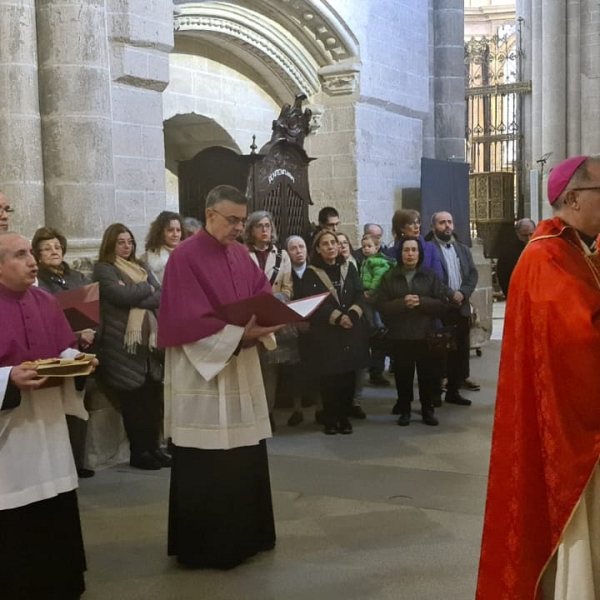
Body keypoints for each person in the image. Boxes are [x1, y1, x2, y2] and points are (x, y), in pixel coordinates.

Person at [476, 155, 600, 599]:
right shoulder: (546, 257)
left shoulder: (574, 249)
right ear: (573, 197)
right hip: (568, 427)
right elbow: (575, 341)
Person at [158, 184, 282, 569]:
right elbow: (186, 316)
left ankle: (249, 535)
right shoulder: (184, 257)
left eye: (243, 221)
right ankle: (207, 547)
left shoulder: (241, 254)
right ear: (210, 214)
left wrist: (273, 315)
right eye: (232, 221)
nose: (239, 229)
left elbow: (261, 292)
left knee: (243, 452)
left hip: (240, 367)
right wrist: (235, 336)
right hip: (203, 374)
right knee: (208, 462)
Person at [0, 232, 93, 599]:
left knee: (55, 497)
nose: (33, 261)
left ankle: (59, 580)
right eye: (21, 255)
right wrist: (8, 377)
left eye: (30, 254)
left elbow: (61, 348)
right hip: (11, 429)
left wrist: (78, 361)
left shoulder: (44, 300)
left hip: (50, 421)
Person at [94, 223, 166, 470]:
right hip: (121, 345)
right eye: (121, 242)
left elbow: (162, 294)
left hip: (148, 346)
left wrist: (138, 291)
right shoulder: (104, 269)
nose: (127, 247)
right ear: (111, 244)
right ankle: (139, 452)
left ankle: (154, 447)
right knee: (134, 402)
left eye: (130, 242)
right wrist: (147, 287)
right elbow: (119, 296)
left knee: (152, 398)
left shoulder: (140, 265)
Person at [32, 226, 96, 478]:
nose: (53, 252)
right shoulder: (40, 282)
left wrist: (91, 330)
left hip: (84, 347)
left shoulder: (76, 277)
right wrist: (78, 333)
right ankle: (62, 463)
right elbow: (49, 316)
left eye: (57, 247)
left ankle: (78, 460)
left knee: (79, 404)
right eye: (47, 249)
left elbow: (90, 307)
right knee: (59, 407)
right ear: (37, 254)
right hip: (58, 348)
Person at [297, 230, 370, 435]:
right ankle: (330, 417)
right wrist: (338, 317)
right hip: (326, 332)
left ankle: (344, 416)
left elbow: (359, 294)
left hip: (350, 329)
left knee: (347, 375)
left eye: (334, 243)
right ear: (318, 249)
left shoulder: (349, 267)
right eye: (325, 244)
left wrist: (352, 316)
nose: (331, 247)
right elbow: (314, 301)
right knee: (330, 377)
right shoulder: (311, 272)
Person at [376, 237, 448, 426]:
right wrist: (402, 304)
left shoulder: (430, 275)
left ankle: (427, 409)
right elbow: (381, 306)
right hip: (400, 335)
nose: (410, 254)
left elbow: (442, 304)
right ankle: (405, 409)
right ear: (400, 254)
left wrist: (421, 302)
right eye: (406, 250)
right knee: (403, 375)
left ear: (419, 253)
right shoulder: (390, 276)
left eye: (414, 250)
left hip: (425, 334)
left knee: (427, 375)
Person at [244, 210, 294, 430]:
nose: (264, 230)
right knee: (250, 367)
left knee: (270, 369)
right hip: (250, 317)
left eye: (267, 225)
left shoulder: (281, 255)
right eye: (259, 226)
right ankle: (251, 413)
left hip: (272, 316)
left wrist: (278, 298)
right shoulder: (242, 254)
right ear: (251, 230)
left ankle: (268, 412)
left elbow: (288, 287)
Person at [429, 211, 480, 404]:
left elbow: (472, 274)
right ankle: (434, 394)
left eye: (449, 222)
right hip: (441, 307)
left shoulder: (463, 249)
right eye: (442, 223)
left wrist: (463, 293)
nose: (447, 226)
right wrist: (451, 294)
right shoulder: (428, 249)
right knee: (438, 353)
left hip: (461, 308)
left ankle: (454, 390)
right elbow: (431, 278)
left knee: (459, 352)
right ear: (433, 227)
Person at [284, 235, 321, 427]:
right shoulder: (286, 274)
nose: (298, 251)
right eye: (293, 248)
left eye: (302, 247)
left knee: (317, 368)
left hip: (315, 327)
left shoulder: (316, 272)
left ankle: (320, 408)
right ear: (287, 252)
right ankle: (297, 409)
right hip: (292, 328)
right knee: (295, 371)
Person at [360, 232, 395, 387]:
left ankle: (378, 327)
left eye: (369, 247)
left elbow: (378, 276)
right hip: (366, 294)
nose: (366, 249)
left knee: (374, 317)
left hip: (373, 295)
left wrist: (372, 290)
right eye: (364, 247)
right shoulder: (367, 261)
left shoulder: (378, 262)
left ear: (377, 247)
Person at [494, 218, 536, 298]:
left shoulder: (540, 247)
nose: (529, 239)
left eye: (531, 234)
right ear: (518, 234)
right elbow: (503, 277)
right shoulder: (507, 252)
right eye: (525, 235)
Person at [141, 210, 185, 285]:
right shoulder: (147, 259)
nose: (175, 234)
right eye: (170, 230)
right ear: (161, 232)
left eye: (178, 230)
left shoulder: (188, 253)